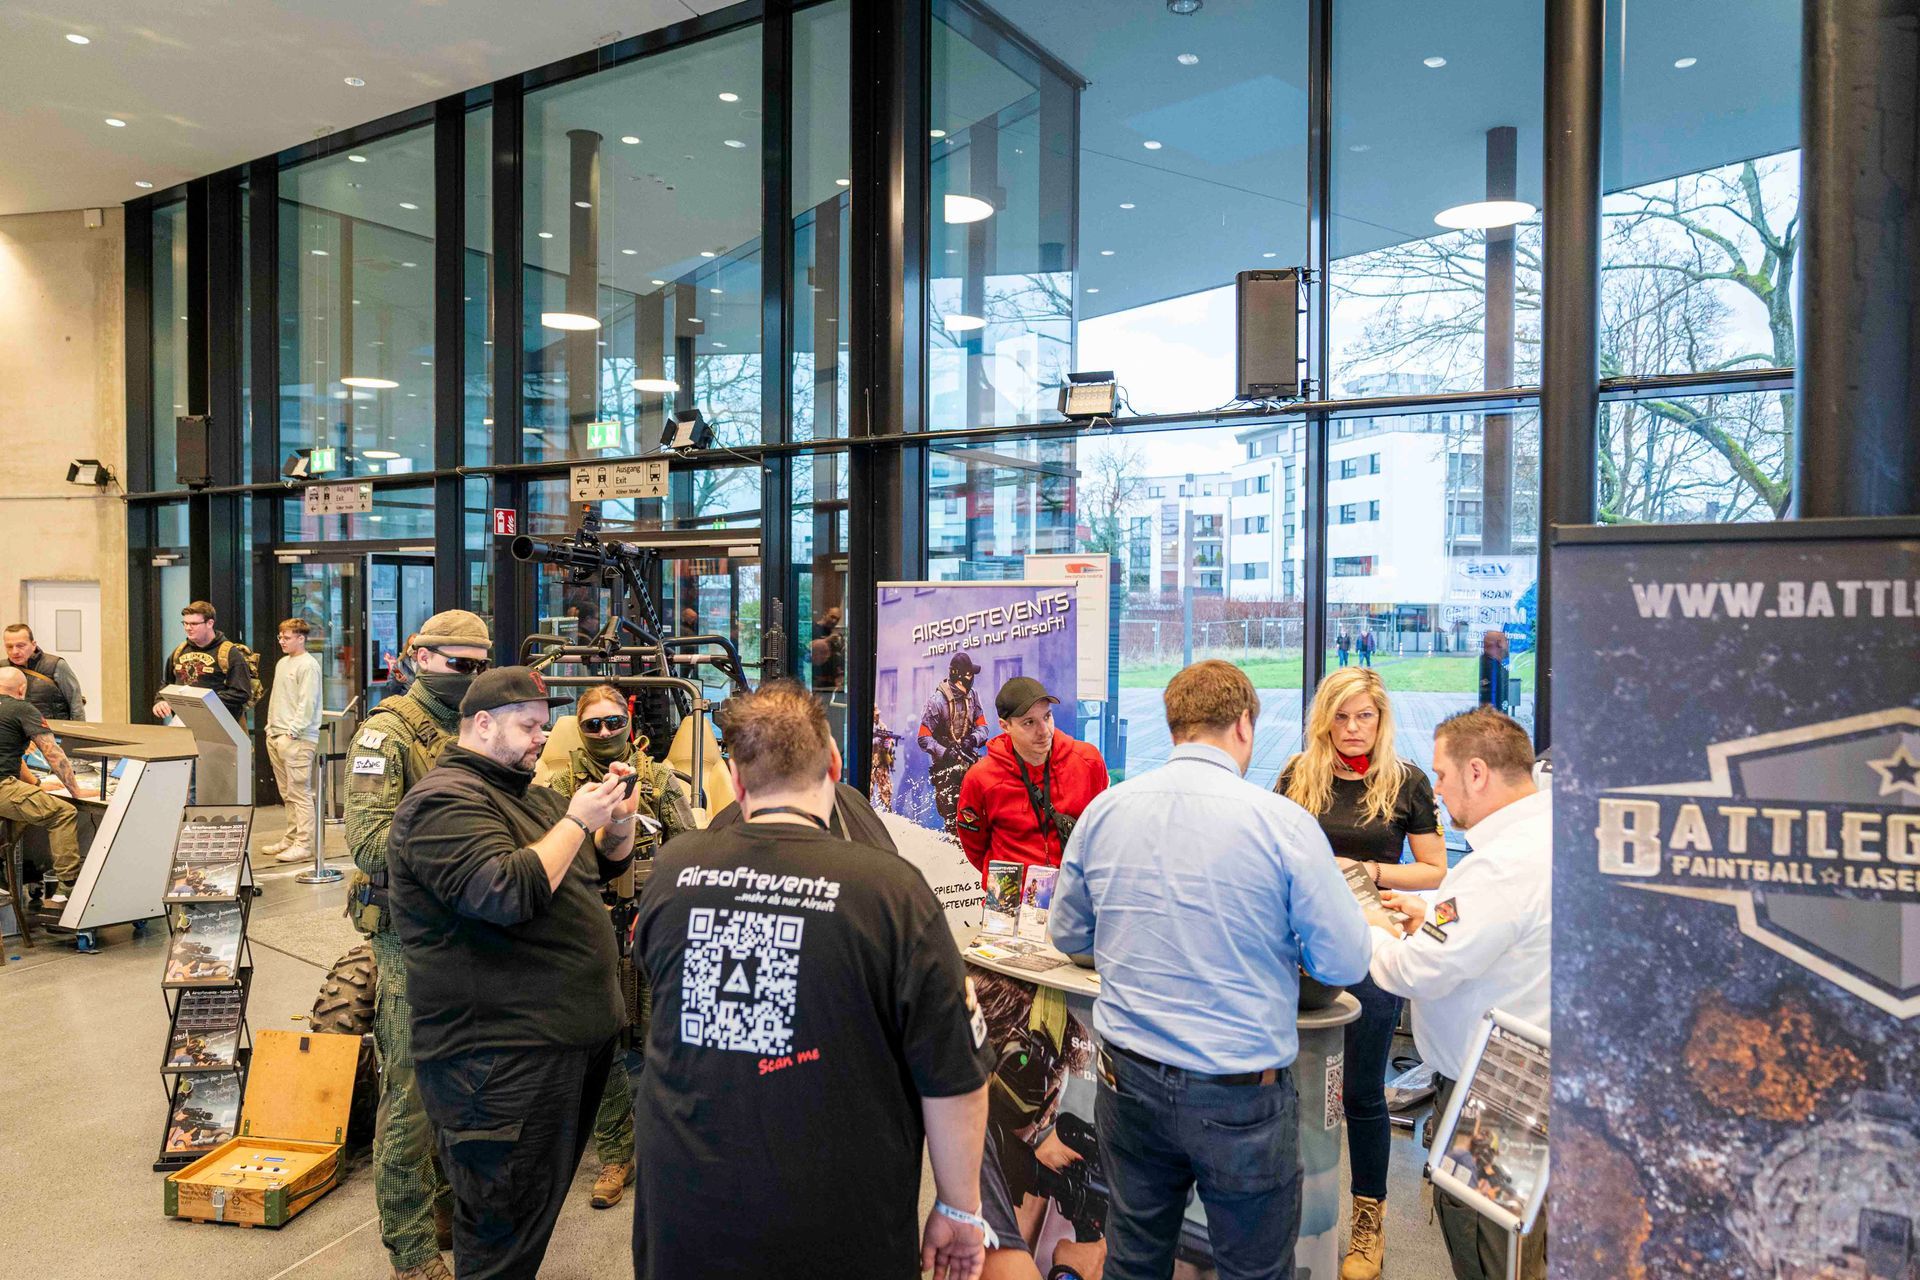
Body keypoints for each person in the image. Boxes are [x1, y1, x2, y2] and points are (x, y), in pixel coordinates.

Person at [632, 681, 994, 1280]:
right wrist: (959, 1206)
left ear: (737, 779)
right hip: (839, 1219)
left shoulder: (673, 870)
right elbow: (955, 1073)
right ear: (834, 764)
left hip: (686, 1209)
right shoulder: (891, 890)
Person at [1049, 659, 1372, 1280]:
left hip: (1127, 1085)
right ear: (1244, 725)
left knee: (1134, 1259)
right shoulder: (1283, 825)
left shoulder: (1105, 812)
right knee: (1251, 1270)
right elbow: (1345, 960)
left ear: (1174, 726)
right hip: (1240, 1097)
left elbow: (1068, 934)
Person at [387, 666, 636, 1280]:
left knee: (525, 1221)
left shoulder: (531, 795)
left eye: (543, 727)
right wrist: (578, 821)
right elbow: (502, 891)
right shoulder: (442, 803)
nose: (538, 739)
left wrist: (618, 820)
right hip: (497, 1065)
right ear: (482, 723)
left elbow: (595, 873)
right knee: (499, 1233)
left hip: (559, 1049)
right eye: (528, 727)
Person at [1363, 707, 1550, 1280]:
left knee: (1486, 1249)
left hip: (1493, 1098)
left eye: (1441, 776)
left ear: (1476, 772)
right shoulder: (1543, 832)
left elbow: (1415, 971)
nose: (1436, 792)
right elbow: (1480, 933)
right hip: (1524, 1081)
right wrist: (1433, 917)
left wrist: (1364, 925)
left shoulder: (1499, 866)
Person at [1276, 668, 1446, 1280]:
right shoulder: (1298, 776)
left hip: (1372, 951)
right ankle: (1283, 1214)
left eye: (1365, 717)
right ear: (1325, 718)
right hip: (1298, 948)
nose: (1353, 730)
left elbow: (1433, 870)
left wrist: (1370, 871)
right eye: (1342, 717)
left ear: (1381, 720)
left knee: (1362, 1093)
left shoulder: (1406, 783)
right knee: (1285, 1087)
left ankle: (1368, 1225)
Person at [345, 608, 493, 1280]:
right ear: (419, 657)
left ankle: (442, 1215)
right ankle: (409, 1253)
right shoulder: (388, 735)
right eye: (460, 665)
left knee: (456, 1093)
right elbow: (371, 845)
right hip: (408, 940)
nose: (471, 678)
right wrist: (461, 855)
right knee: (407, 1099)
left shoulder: (471, 731)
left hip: (464, 932)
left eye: (480, 667)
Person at [541, 684, 695, 1212]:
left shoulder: (658, 780)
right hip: (588, 925)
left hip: (654, 925)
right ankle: (615, 1151)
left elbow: (690, 853)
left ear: (628, 723)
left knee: (664, 1036)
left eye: (613, 723)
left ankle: (668, 1142)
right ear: (578, 729)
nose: (605, 733)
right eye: (592, 725)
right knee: (600, 1041)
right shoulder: (560, 786)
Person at [970, 968, 1107, 1280]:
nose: (1041, 1127)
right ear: (1020, 1080)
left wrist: (1033, 1183)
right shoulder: (972, 1158)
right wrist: (1072, 1273)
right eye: (1047, 1114)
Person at [955, 676, 1108, 889]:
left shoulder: (1087, 761)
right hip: (1009, 899)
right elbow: (973, 843)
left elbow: (1101, 828)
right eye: (1029, 722)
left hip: (1072, 895)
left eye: (1047, 717)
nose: (1044, 731)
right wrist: (1007, 882)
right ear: (1005, 726)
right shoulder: (981, 778)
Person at [0, 668, 93, 902]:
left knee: (24, 814)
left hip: (7, 785)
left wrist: (36, 785)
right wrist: (76, 791)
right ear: (22, 689)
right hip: (2, 788)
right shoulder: (22, 709)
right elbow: (53, 754)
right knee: (64, 812)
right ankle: (68, 885)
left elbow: (12, 755)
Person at [263, 618, 323, 864]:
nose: (282, 641)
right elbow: (279, 699)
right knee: (287, 793)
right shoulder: (282, 663)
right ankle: (291, 837)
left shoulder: (308, 665)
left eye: (287, 637)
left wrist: (293, 732)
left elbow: (306, 703)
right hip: (277, 734)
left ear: (301, 638)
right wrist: (271, 730)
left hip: (296, 738)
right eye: (280, 637)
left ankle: (304, 844)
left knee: (300, 794)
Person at [919, 652, 989, 835]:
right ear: (959, 676)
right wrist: (945, 752)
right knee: (951, 814)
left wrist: (972, 739)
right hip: (945, 767)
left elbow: (983, 729)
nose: (972, 679)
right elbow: (923, 738)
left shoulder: (973, 696)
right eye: (969, 674)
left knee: (978, 809)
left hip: (967, 762)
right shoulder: (936, 702)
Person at [152, 601, 255, 724]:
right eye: (185, 623)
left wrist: (203, 701)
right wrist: (161, 701)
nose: (188, 628)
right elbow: (167, 684)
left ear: (210, 623)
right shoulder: (179, 652)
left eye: (194, 624)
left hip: (220, 725)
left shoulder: (229, 654)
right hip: (183, 721)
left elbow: (241, 693)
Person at [4, 623, 85, 721]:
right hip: (14, 731)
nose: (14, 651)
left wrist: (77, 731)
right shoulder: (3, 668)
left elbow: (75, 704)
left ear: (33, 645)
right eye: (9, 646)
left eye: (20, 646)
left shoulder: (55, 665)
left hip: (53, 731)